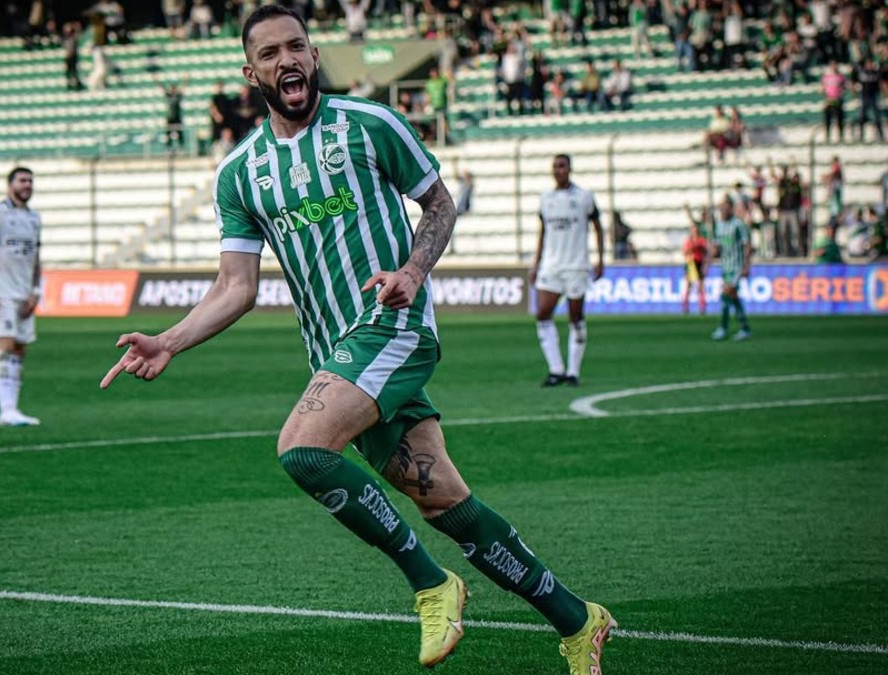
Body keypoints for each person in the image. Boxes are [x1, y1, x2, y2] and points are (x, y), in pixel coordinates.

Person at [100, 6, 615, 674]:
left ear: (314, 56)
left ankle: (432, 584)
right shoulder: (242, 172)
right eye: (270, 52)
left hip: (393, 329)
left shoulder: (370, 124)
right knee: (444, 500)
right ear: (249, 70)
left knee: (303, 450)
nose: (286, 60)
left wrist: (411, 270)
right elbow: (236, 285)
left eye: (297, 47)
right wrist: (170, 340)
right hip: (334, 353)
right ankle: (579, 621)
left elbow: (439, 204)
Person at [531, 154, 604, 388]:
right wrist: (536, 262)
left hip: (576, 265)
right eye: (554, 166)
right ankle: (556, 370)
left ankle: (573, 371)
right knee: (543, 313)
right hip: (551, 266)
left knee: (575, 317)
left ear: (570, 169)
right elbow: (543, 232)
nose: (558, 170)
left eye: (562, 166)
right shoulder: (546, 198)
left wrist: (600, 259)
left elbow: (598, 227)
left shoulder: (584, 197)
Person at [0, 168, 43, 427]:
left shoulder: (34, 217)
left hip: (24, 293)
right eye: (22, 180)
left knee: (19, 349)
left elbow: (36, 258)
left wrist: (35, 291)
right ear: (10, 185)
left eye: (30, 181)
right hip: (1, 292)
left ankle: (12, 409)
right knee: (4, 347)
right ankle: (5, 410)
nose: (27, 185)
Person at [709, 196, 752, 341]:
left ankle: (723, 328)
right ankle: (745, 328)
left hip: (737, 265)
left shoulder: (738, 225)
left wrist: (746, 265)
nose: (723, 210)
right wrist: (707, 261)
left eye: (726, 207)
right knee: (732, 296)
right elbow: (716, 247)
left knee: (726, 293)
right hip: (725, 266)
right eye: (721, 208)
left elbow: (747, 245)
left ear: (731, 208)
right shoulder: (719, 226)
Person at [681, 205, 710, 315]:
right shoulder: (689, 241)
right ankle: (685, 307)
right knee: (688, 286)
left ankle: (702, 307)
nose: (695, 231)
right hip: (691, 264)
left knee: (700, 287)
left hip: (699, 263)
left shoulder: (702, 240)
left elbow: (706, 252)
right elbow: (684, 252)